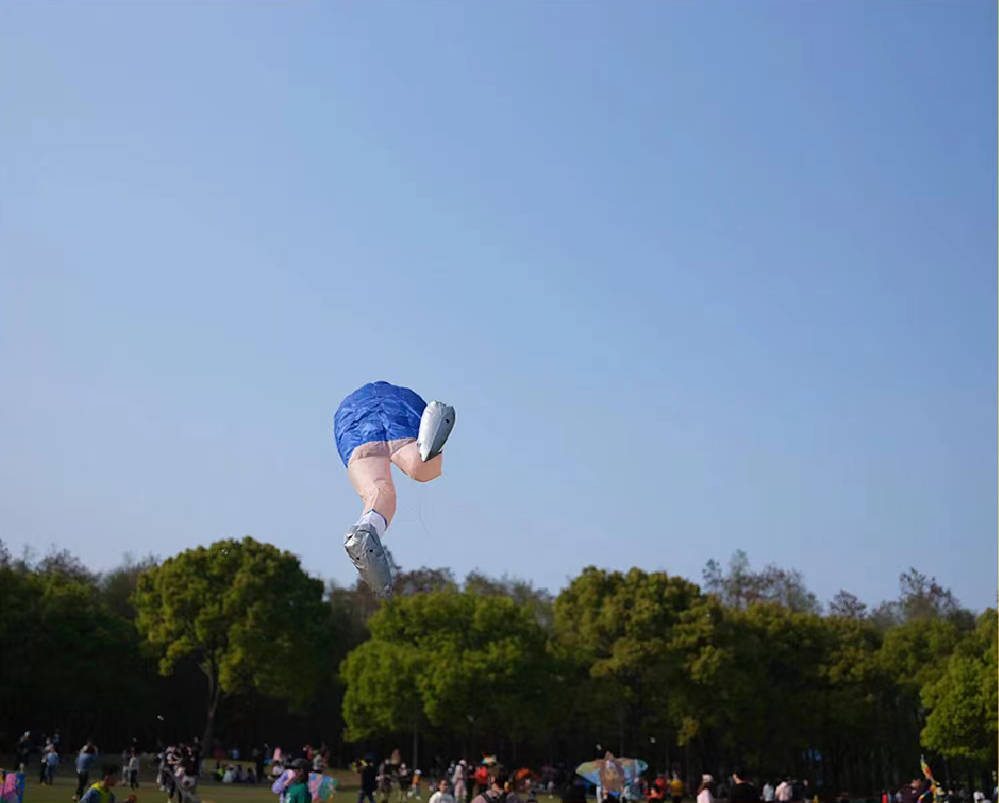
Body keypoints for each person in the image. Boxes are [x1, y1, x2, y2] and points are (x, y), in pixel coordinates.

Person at [335, 381, 456, 598]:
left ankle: (368, 527)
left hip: (353, 419)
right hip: (402, 407)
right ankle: (428, 446)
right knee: (423, 469)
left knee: (379, 492)